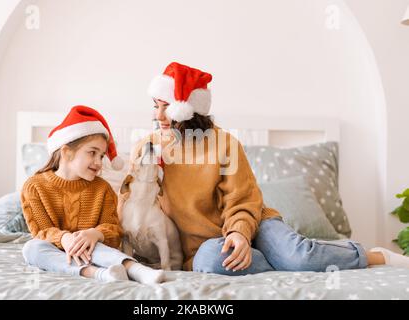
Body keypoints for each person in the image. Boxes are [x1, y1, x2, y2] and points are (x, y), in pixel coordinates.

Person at [123, 61, 409, 275]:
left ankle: (374, 256)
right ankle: (277, 260)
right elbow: (129, 198)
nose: (157, 115)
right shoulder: (145, 148)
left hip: (254, 224)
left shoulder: (224, 143)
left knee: (299, 258)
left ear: (185, 109)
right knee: (211, 263)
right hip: (208, 246)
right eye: (155, 105)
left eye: (165, 106)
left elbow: (243, 198)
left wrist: (238, 233)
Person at [21, 105, 166, 284]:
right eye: (92, 153)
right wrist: (64, 238)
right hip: (56, 252)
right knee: (31, 248)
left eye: (102, 156)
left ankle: (136, 269)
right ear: (66, 152)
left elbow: (113, 231)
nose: (98, 162)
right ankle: (97, 274)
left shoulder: (102, 189)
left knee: (95, 245)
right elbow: (41, 232)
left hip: (94, 250)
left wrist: (95, 234)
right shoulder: (35, 186)